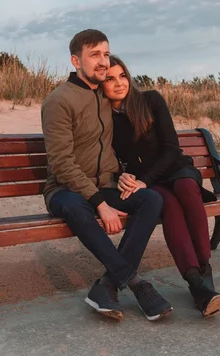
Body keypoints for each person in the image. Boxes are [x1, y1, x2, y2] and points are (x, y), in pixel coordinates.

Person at [41, 29, 172, 322]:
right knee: (77, 207)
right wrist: (100, 203)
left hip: (105, 183)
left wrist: (125, 175)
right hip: (65, 190)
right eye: (94, 55)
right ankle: (137, 283)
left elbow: (118, 144)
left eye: (105, 53)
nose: (102, 61)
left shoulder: (104, 96)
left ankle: (107, 286)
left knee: (150, 199)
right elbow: (61, 163)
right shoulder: (59, 101)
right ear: (76, 60)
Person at [100, 54, 220, 318]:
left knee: (183, 187)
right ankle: (197, 285)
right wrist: (121, 176)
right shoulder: (105, 120)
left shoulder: (151, 100)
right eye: (110, 78)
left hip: (177, 170)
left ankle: (205, 271)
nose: (119, 83)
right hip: (147, 182)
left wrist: (145, 179)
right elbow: (112, 161)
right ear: (101, 84)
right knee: (167, 204)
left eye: (122, 75)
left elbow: (171, 148)